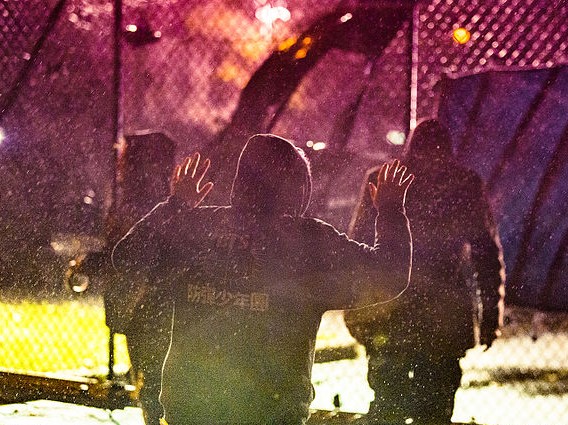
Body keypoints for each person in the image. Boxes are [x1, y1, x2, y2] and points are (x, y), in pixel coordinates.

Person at [111, 133, 414, 425]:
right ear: (299, 191)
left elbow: (126, 259)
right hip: (270, 409)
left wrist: (176, 206)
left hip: (192, 404)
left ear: (240, 182)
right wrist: (390, 211)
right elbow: (389, 276)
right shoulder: (308, 242)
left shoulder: (197, 227)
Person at [345, 119, 505, 425]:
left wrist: (357, 310)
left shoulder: (384, 178)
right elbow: (485, 252)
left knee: (388, 402)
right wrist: (489, 315)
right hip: (442, 311)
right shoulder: (464, 184)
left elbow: (358, 249)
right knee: (434, 408)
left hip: (391, 308)